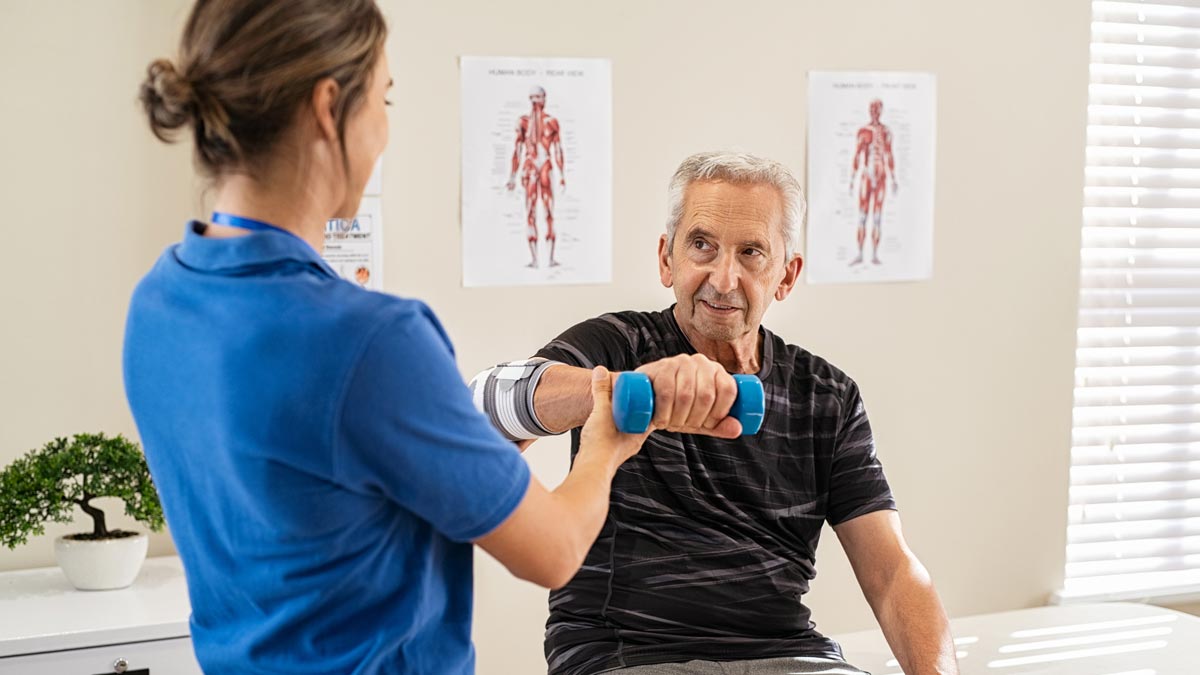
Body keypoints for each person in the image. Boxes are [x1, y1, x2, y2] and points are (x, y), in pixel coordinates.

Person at [123, 2, 647, 673]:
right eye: (384, 100)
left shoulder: (159, 304)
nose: (384, 132)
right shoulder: (371, 340)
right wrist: (605, 445)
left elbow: (305, 492)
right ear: (327, 106)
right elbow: (556, 550)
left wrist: (460, 446)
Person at [471, 152, 958, 675]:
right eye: (702, 245)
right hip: (629, 656)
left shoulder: (827, 396)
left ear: (786, 276)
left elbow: (891, 572)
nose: (724, 279)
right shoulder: (617, 346)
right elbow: (481, 406)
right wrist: (627, 389)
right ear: (667, 259)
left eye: (751, 253)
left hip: (786, 654)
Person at [506, 84, 566, 268]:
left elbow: (558, 150)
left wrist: (562, 175)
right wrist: (513, 176)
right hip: (530, 168)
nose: (534, 102)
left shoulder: (552, 122)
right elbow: (517, 150)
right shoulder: (523, 122)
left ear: (544, 99)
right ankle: (534, 258)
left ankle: (550, 258)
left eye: (538, 97)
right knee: (530, 212)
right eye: (532, 98)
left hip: (546, 167)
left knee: (549, 212)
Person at [849, 99, 898, 266]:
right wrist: (852, 178)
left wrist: (893, 178)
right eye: (872, 108)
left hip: (881, 177)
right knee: (862, 217)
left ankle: (875, 254)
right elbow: (857, 155)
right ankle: (860, 253)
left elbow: (889, 155)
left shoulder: (886, 132)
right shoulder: (864, 131)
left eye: (877, 109)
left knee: (877, 218)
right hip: (867, 177)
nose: (874, 112)